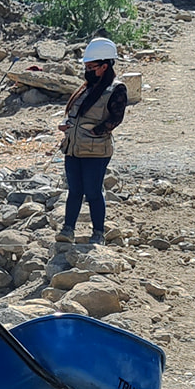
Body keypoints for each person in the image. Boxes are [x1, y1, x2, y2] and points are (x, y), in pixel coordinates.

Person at [58, 38, 128, 245]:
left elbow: (115, 119)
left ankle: (98, 233)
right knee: (74, 191)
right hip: (73, 148)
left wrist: (93, 131)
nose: (87, 70)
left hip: (96, 151)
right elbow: (73, 115)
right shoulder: (85, 89)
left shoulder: (116, 89)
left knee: (93, 191)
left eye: (91, 66)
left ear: (104, 66)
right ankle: (67, 229)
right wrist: (67, 126)